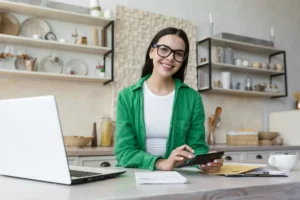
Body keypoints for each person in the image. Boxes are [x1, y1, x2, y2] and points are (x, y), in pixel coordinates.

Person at [114, 27, 223, 172]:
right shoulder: (127, 97)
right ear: (151, 52)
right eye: (164, 49)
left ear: (182, 60)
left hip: (179, 176)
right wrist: (161, 163)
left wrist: (204, 161)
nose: (170, 58)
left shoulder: (192, 98)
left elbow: (196, 147)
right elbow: (124, 152)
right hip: (136, 176)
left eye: (178, 54)